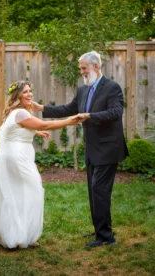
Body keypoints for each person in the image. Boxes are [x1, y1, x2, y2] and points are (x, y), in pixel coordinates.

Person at [32, 51, 129, 248]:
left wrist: (90, 116)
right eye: (81, 69)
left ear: (95, 67)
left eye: (84, 68)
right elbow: (69, 109)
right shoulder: (83, 90)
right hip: (92, 150)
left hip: (109, 149)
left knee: (99, 191)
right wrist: (42, 108)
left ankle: (106, 237)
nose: (82, 72)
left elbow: (116, 112)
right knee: (94, 192)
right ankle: (99, 230)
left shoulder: (112, 88)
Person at [0, 80, 82, 249]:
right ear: (17, 96)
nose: (29, 94)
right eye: (25, 92)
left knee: (15, 193)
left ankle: (18, 234)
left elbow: (14, 129)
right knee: (32, 190)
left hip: (11, 155)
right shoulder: (21, 113)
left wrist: (35, 132)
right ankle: (18, 235)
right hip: (17, 157)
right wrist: (70, 120)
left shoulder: (14, 112)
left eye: (30, 91)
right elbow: (46, 124)